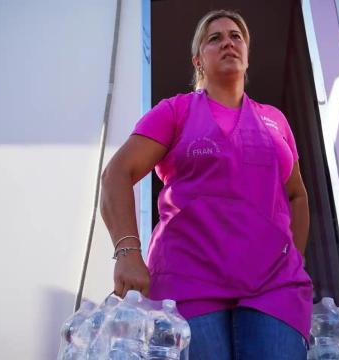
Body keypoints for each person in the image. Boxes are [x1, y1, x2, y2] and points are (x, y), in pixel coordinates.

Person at [100, 9, 312, 359]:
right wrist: (127, 252)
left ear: (246, 54)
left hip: (275, 287)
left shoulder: (275, 120)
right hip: (188, 281)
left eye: (236, 36)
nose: (228, 41)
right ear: (198, 59)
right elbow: (116, 174)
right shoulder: (174, 111)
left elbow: (297, 195)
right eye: (215, 38)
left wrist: (295, 260)